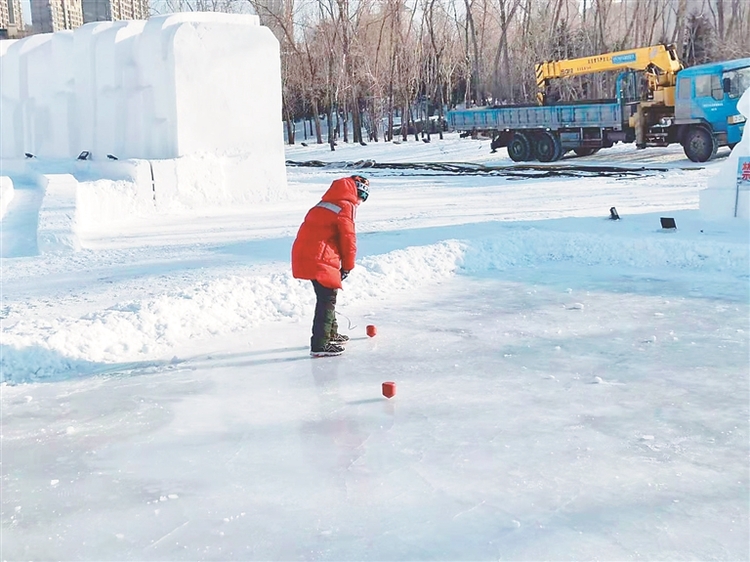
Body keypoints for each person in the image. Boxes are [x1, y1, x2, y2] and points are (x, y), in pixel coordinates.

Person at [291, 175, 370, 357]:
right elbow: (348, 239)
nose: (360, 202)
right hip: (320, 257)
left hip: (307, 254)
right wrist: (348, 266)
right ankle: (320, 344)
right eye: (362, 197)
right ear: (356, 191)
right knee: (327, 299)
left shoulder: (324, 203)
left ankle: (331, 333)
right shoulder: (345, 206)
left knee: (326, 294)